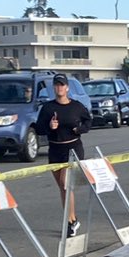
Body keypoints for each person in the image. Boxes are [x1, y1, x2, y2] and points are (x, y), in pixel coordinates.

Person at [35, 75, 90, 236]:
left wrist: (79, 129)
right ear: (54, 88)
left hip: (72, 149)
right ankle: (73, 220)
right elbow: (39, 128)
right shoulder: (47, 108)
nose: (59, 88)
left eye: (62, 85)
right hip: (55, 149)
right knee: (62, 187)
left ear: (67, 88)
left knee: (65, 184)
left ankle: (70, 222)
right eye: (56, 85)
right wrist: (50, 127)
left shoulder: (76, 107)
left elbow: (88, 122)